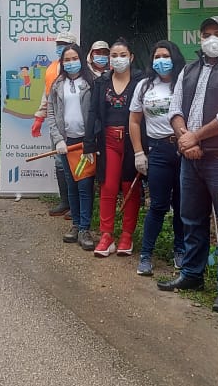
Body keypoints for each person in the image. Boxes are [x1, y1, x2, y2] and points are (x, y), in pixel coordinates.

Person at [158, 15, 218, 314]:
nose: (211, 38)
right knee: (191, 219)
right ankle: (191, 274)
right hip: (191, 157)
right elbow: (175, 107)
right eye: (206, 33)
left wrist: (194, 137)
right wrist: (186, 138)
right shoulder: (190, 68)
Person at [128, 40, 187, 276]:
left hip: (184, 149)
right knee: (158, 205)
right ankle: (146, 255)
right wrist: (139, 152)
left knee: (183, 206)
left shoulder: (186, 82)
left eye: (165, 55)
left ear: (174, 57)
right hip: (158, 150)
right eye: (156, 56)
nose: (160, 60)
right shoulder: (144, 86)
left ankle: (181, 251)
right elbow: (134, 121)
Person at [85, 38, 145, 257]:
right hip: (108, 140)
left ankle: (127, 234)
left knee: (130, 187)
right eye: (114, 55)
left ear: (131, 57)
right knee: (108, 187)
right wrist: (89, 142)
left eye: (122, 55)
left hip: (133, 141)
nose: (118, 59)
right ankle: (106, 235)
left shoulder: (141, 80)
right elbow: (92, 113)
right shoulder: (101, 82)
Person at [46, 42, 96, 250]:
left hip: (85, 143)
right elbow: (50, 113)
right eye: (67, 59)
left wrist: (91, 141)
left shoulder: (91, 82)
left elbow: (97, 113)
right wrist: (58, 139)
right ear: (62, 63)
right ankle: (75, 225)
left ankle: (85, 228)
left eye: (74, 58)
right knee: (72, 185)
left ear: (81, 59)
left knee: (85, 186)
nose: (71, 62)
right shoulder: (57, 84)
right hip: (66, 144)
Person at [32, 31, 78, 218]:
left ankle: (77, 206)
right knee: (59, 161)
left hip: (77, 126)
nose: (60, 47)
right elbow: (47, 96)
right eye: (58, 44)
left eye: (64, 44)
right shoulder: (51, 68)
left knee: (76, 165)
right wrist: (39, 117)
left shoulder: (80, 69)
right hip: (57, 124)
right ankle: (65, 202)